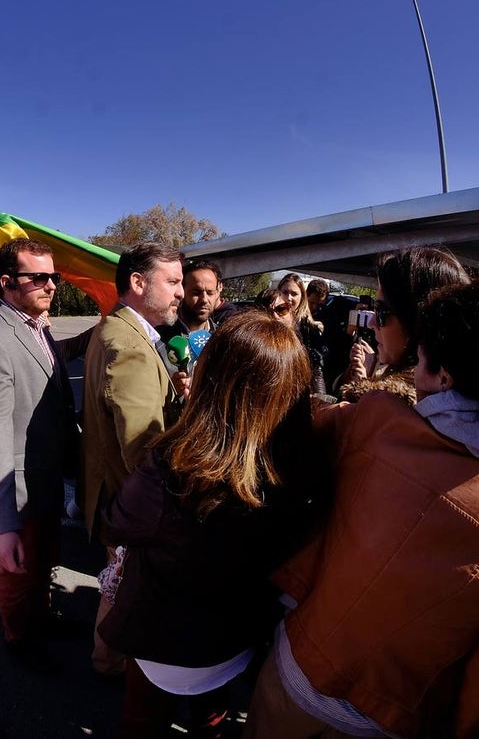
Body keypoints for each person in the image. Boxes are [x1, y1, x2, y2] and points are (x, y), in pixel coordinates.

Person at [244, 279, 479, 739]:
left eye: (419, 362)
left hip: (297, 670)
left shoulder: (376, 419)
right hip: (394, 719)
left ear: (443, 377)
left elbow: (297, 428)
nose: (413, 376)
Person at [100, 310, 331, 739]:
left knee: (140, 720)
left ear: (213, 381)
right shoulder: (306, 474)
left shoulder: (173, 466)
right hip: (236, 640)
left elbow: (118, 522)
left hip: (160, 644)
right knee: (212, 715)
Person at [0, 238, 92, 672]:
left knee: (43, 563)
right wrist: (0, 525)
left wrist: (106, 327)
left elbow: (54, 358)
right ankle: (18, 640)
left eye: (53, 276)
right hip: (19, 483)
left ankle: (41, 619)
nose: (51, 285)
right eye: (37, 277)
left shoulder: (36, 325)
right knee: (18, 572)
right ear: (7, 282)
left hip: (48, 476)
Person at [82, 241, 187, 676]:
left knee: (116, 584)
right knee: (123, 587)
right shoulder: (130, 345)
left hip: (112, 495)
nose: (181, 292)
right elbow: (143, 449)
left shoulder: (120, 331)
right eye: (174, 281)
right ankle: (109, 663)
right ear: (138, 283)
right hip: (125, 501)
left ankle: (108, 658)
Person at [337, 247, 470, 404]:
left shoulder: (395, 409)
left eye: (380, 311)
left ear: (417, 320)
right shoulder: (455, 403)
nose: (372, 323)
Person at [277, 273, 326, 395]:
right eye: (285, 292)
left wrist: (320, 395)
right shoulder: (268, 320)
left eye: (294, 294)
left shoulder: (309, 326)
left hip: (299, 387)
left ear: (302, 297)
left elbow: (317, 366)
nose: (288, 298)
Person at [157, 258, 224, 339]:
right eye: (196, 293)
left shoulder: (223, 338)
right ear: (182, 291)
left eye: (210, 293)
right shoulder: (158, 338)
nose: (204, 300)